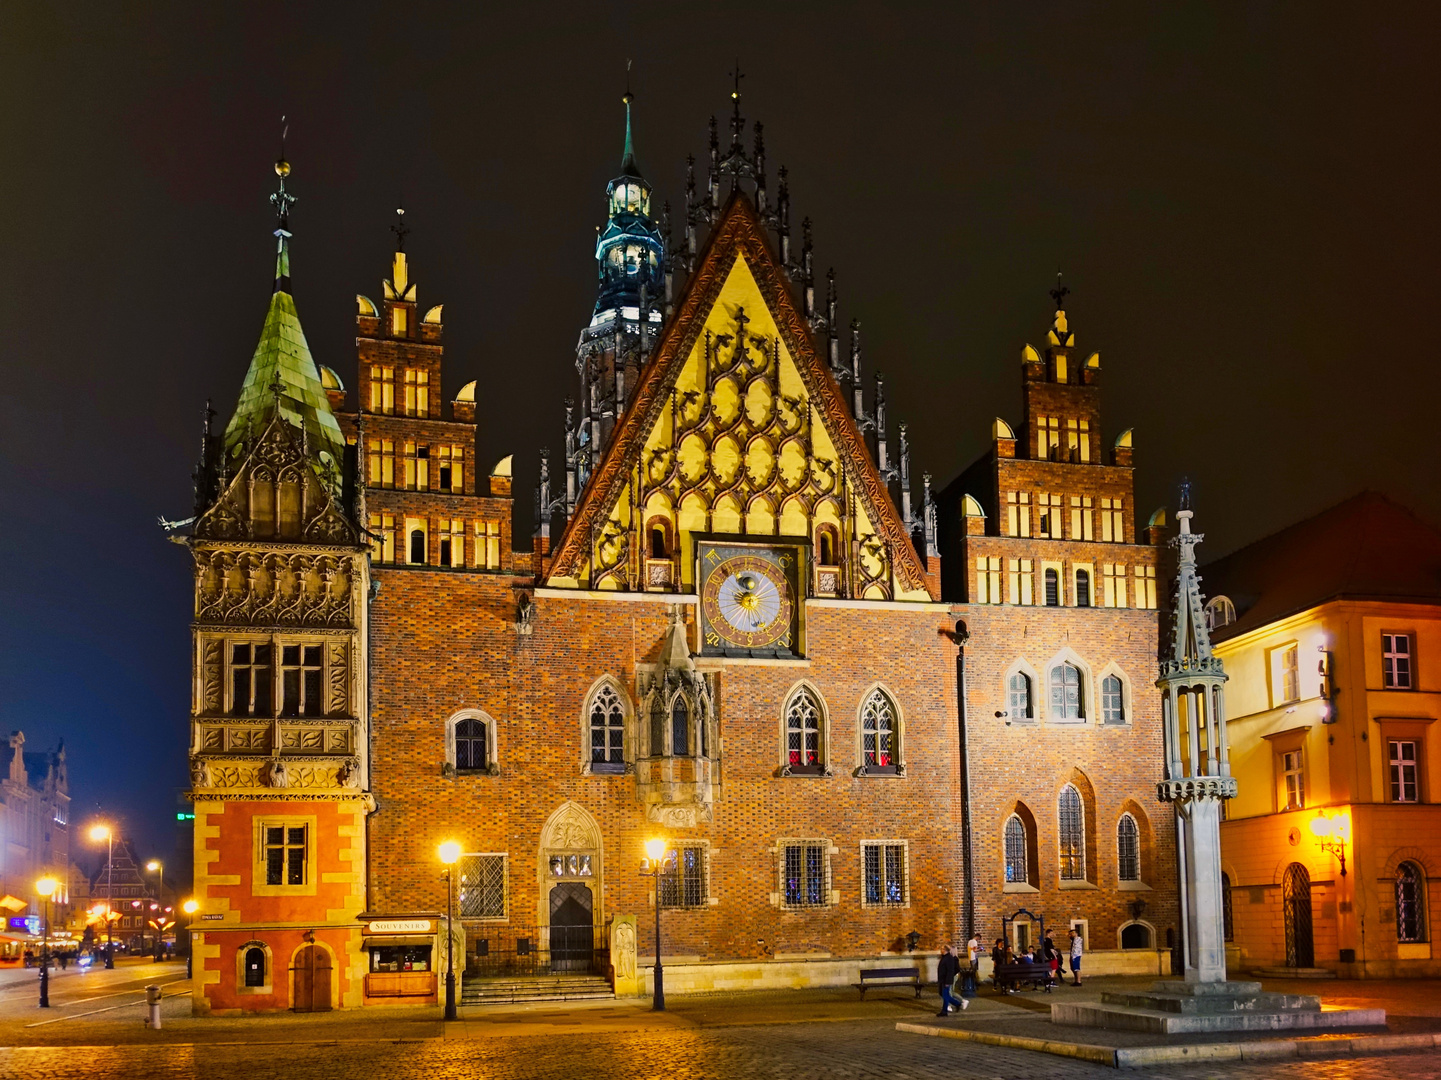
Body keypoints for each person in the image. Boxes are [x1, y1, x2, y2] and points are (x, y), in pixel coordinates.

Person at [936, 944, 967, 1015]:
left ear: (946, 950)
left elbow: (950, 971)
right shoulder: (944, 957)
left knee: (945, 995)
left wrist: (948, 981)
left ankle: (944, 1011)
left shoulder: (949, 958)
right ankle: (957, 1004)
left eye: (942, 949)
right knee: (943, 994)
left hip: (946, 980)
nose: (941, 950)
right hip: (942, 979)